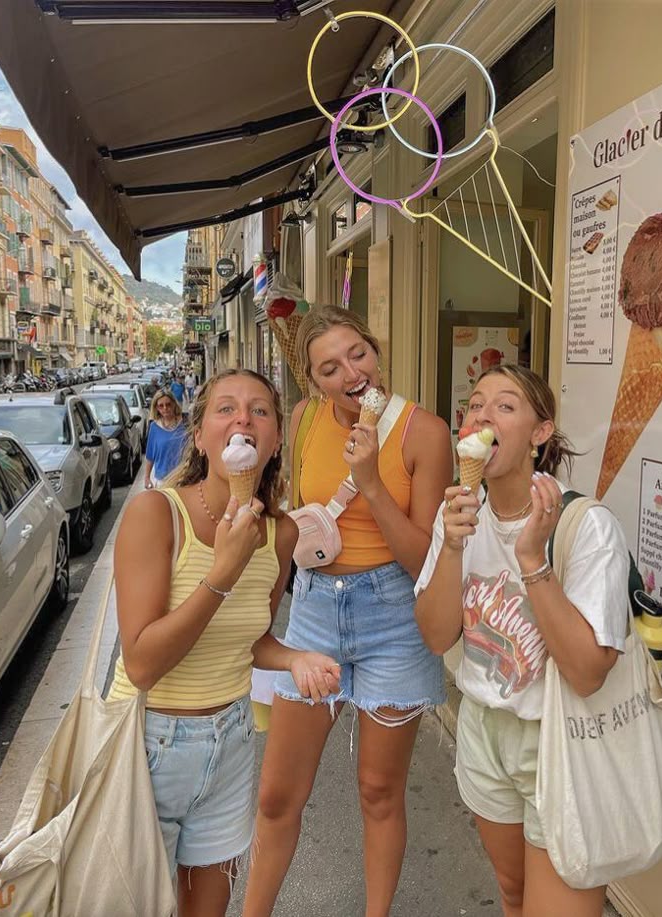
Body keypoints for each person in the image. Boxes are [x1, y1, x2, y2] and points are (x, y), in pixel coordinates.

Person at [243, 305, 453, 917]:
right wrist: (267, 601)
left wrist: (372, 481)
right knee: (279, 794)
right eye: (329, 367)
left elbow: (426, 563)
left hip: (394, 615)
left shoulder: (425, 433)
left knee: (379, 792)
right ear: (313, 381)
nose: (350, 373)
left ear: (374, 347)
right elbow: (290, 522)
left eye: (357, 354)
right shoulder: (305, 421)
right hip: (313, 613)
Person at [107, 368, 340, 917]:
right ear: (200, 434)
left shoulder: (281, 533)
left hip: (231, 741)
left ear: (276, 438)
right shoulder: (156, 513)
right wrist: (222, 573)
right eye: (226, 409)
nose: (243, 420)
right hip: (148, 741)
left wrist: (294, 656)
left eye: (260, 411)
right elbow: (141, 662)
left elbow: (250, 638)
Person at [414, 364, 629, 917]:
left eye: (505, 406)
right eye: (476, 404)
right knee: (513, 894)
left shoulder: (587, 526)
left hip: (565, 737)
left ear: (540, 432)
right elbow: (438, 636)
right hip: (485, 729)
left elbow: (586, 671)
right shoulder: (459, 515)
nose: (483, 414)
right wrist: (454, 547)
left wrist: (532, 560)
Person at [145, 391, 186, 489]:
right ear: (156, 408)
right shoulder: (154, 427)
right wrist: (147, 477)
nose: (165, 408)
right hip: (162, 481)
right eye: (161, 406)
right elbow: (150, 455)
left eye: (168, 404)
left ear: (174, 404)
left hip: (184, 479)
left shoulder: (186, 423)